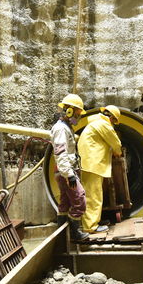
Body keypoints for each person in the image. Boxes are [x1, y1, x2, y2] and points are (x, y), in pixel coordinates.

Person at [50, 94, 89, 241]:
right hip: (65, 172)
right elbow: (60, 153)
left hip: (63, 172)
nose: (78, 118)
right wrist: (69, 175)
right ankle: (75, 234)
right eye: (78, 114)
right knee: (79, 199)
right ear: (69, 111)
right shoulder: (61, 129)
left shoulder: (66, 127)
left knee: (65, 202)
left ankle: (61, 235)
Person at [78, 105, 122, 233]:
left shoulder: (95, 121)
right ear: (112, 118)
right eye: (115, 121)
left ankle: (92, 221)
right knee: (94, 196)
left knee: (92, 194)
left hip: (89, 163)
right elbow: (116, 143)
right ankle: (90, 227)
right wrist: (117, 152)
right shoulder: (104, 124)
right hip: (94, 164)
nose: (114, 123)